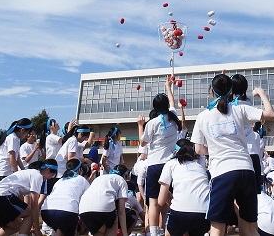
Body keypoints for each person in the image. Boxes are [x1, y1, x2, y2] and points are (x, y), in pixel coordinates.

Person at [191, 73, 274, 236]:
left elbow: (198, 149)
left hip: (222, 172)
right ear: (231, 91)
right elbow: (271, 114)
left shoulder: (203, 116)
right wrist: (262, 94)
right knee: (249, 228)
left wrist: (214, 150)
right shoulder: (239, 109)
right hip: (246, 170)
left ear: (211, 91)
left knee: (217, 227)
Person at [138, 76, 183, 236]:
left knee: (153, 202)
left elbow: (142, 144)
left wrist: (140, 126)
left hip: (154, 165)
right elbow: (172, 101)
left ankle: (154, 232)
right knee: (167, 201)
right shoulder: (173, 116)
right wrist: (168, 86)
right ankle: (165, 229)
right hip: (170, 166)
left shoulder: (152, 123)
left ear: (155, 108)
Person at [0, 159, 57, 236]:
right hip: (0, 197)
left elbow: (25, 204)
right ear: (47, 170)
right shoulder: (38, 176)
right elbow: (34, 206)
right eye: (52, 175)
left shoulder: (28, 173)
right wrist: (37, 230)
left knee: (17, 226)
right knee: (30, 213)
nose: (50, 178)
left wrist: (29, 225)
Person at [158, 139, 210, 236]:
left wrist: (170, 195)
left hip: (180, 212)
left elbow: (161, 201)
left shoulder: (171, 164)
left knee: (169, 233)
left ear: (175, 151)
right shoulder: (199, 166)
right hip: (204, 212)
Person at [41, 158, 92, 236]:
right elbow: (89, 200)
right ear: (80, 170)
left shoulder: (60, 181)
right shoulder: (82, 180)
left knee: (60, 230)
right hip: (67, 212)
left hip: (46, 212)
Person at [79, 164, 130, 236]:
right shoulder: (121, 180)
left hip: (83, 208)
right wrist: (125, 234)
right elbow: (121, 211)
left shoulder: (100, 178)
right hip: (104, 206)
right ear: (125, 175)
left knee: (100, 231)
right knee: (114, 222)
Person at [0, 118, 33, 183]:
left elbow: (18, 158)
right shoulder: (12, 138)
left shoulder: (17, 139)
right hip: (2, 173)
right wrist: (16, 173)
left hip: (6, 173)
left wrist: (24, 171)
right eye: (27, 133)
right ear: (22, 130)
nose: (26, 135)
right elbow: (12, 157)